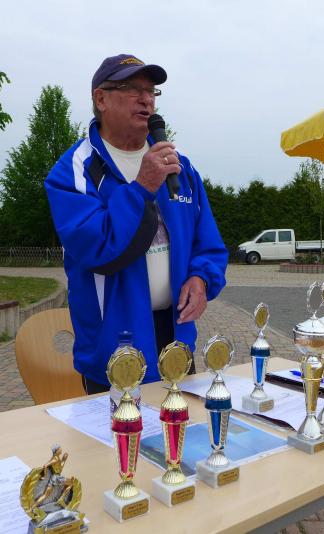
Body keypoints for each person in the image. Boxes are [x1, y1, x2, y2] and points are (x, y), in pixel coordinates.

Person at [44, 54, 228, 394]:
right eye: (133, 89)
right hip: (115, 348)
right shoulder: (75, 171)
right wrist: (142, 187)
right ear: (101, 98)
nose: (146, 99)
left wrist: (202, 278)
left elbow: (209, 245)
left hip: (176, 338)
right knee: (120, 432)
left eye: (152, 91)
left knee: (180, 427)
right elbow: (98, 248)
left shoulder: (180, 168)